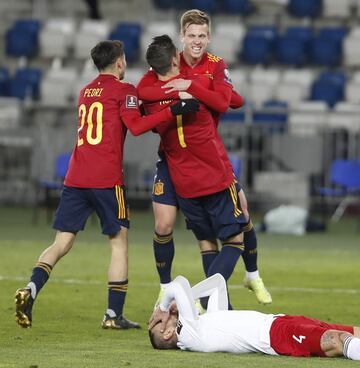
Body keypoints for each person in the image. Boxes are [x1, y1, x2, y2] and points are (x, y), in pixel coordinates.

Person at [14, 40, 199, 330]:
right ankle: (113, 315)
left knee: (61, 243)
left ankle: (31, 288)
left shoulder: (85, 91)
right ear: (120, 63)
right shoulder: (124, 91)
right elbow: (137, 127)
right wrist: (174, 110)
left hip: (75, 177)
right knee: (118, 242)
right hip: (105, 179)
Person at [137, 9, 271, 306]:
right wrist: (191, 94)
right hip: (177, 161)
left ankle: (252, 274)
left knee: (242, 212)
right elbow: (144, 91)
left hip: (208, 156)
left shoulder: (215, 65)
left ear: (209, 37)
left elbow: (227, 101)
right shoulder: (169, 62)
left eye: (202, 36)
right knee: (180, 230)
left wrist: (195, 88)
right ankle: (195, 296)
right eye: (191, 36)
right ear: (182, 36)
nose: (197, 41)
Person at [148, 274, 360, 361]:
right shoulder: (187, 335)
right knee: (335, 340)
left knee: (351, 331)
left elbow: (218, 283)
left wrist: (180, 301)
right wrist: (164, 304)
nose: (159, 314)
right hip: (277, 337)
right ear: (167, 333)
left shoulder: (205, 323)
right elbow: (178, 284)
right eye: (158, 320)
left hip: (281, 322)